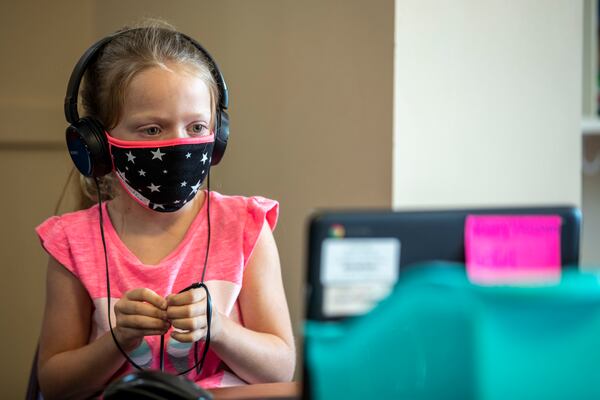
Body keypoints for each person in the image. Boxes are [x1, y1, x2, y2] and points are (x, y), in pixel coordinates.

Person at [35, 21, 295, 399]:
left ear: (217, 136)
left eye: (196, 127)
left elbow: (281, 368)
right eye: (152, 130)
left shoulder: (245, 227)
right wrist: (118, 340)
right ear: (94, 144)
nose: (179, 144)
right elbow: (56, 385)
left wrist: (218, 329)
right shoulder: (73, 242)